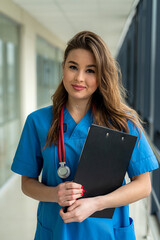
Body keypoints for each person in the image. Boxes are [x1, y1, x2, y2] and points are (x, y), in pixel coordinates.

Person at [11, 31, 159, 240]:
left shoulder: (124, 122)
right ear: (63, 68)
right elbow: (27, 183)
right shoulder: (37, 122)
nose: (79, 78)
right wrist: (55, 194)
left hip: (108, 232)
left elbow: (143, 186)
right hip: (57, 231)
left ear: (101, 76)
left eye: (90, 70)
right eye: (73, 67)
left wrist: (97, 203)